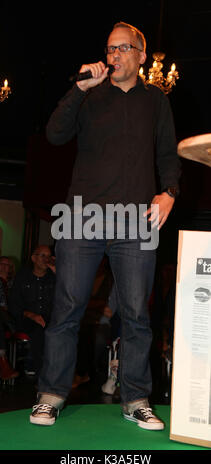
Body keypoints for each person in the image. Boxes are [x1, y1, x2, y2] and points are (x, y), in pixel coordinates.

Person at [30, 22, 181, 429]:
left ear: (141, 55)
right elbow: (55, 134)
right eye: (109, 49)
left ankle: (136, 399)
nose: (113, 55)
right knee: (67, 310)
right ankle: (50, 395)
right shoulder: (90, 93)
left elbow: (168, 152)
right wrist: (78, 89)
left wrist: (168, 191)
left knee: (135, 315)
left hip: (137, 222)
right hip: (82, 217)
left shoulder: (156, 101)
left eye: (123, 48)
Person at [9, 245, 55, 378]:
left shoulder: (54, 277)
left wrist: (57, 271)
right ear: (33, 258)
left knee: (65, 329)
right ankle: (42, 376)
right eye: (42, 256)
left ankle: (68, 374)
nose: (46, 259)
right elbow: (14, 304)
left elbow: (68, 295)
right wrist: (31, 315)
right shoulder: (23, 276)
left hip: (49, 318)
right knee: (38, 330)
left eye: (48, 256)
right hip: (26, 318)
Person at [0, 256, 19, 380]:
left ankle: (3, 364)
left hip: (13, 316)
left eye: (7, 264)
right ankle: (2, 362)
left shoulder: (15, 283)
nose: (4, 266)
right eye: (1, 263)